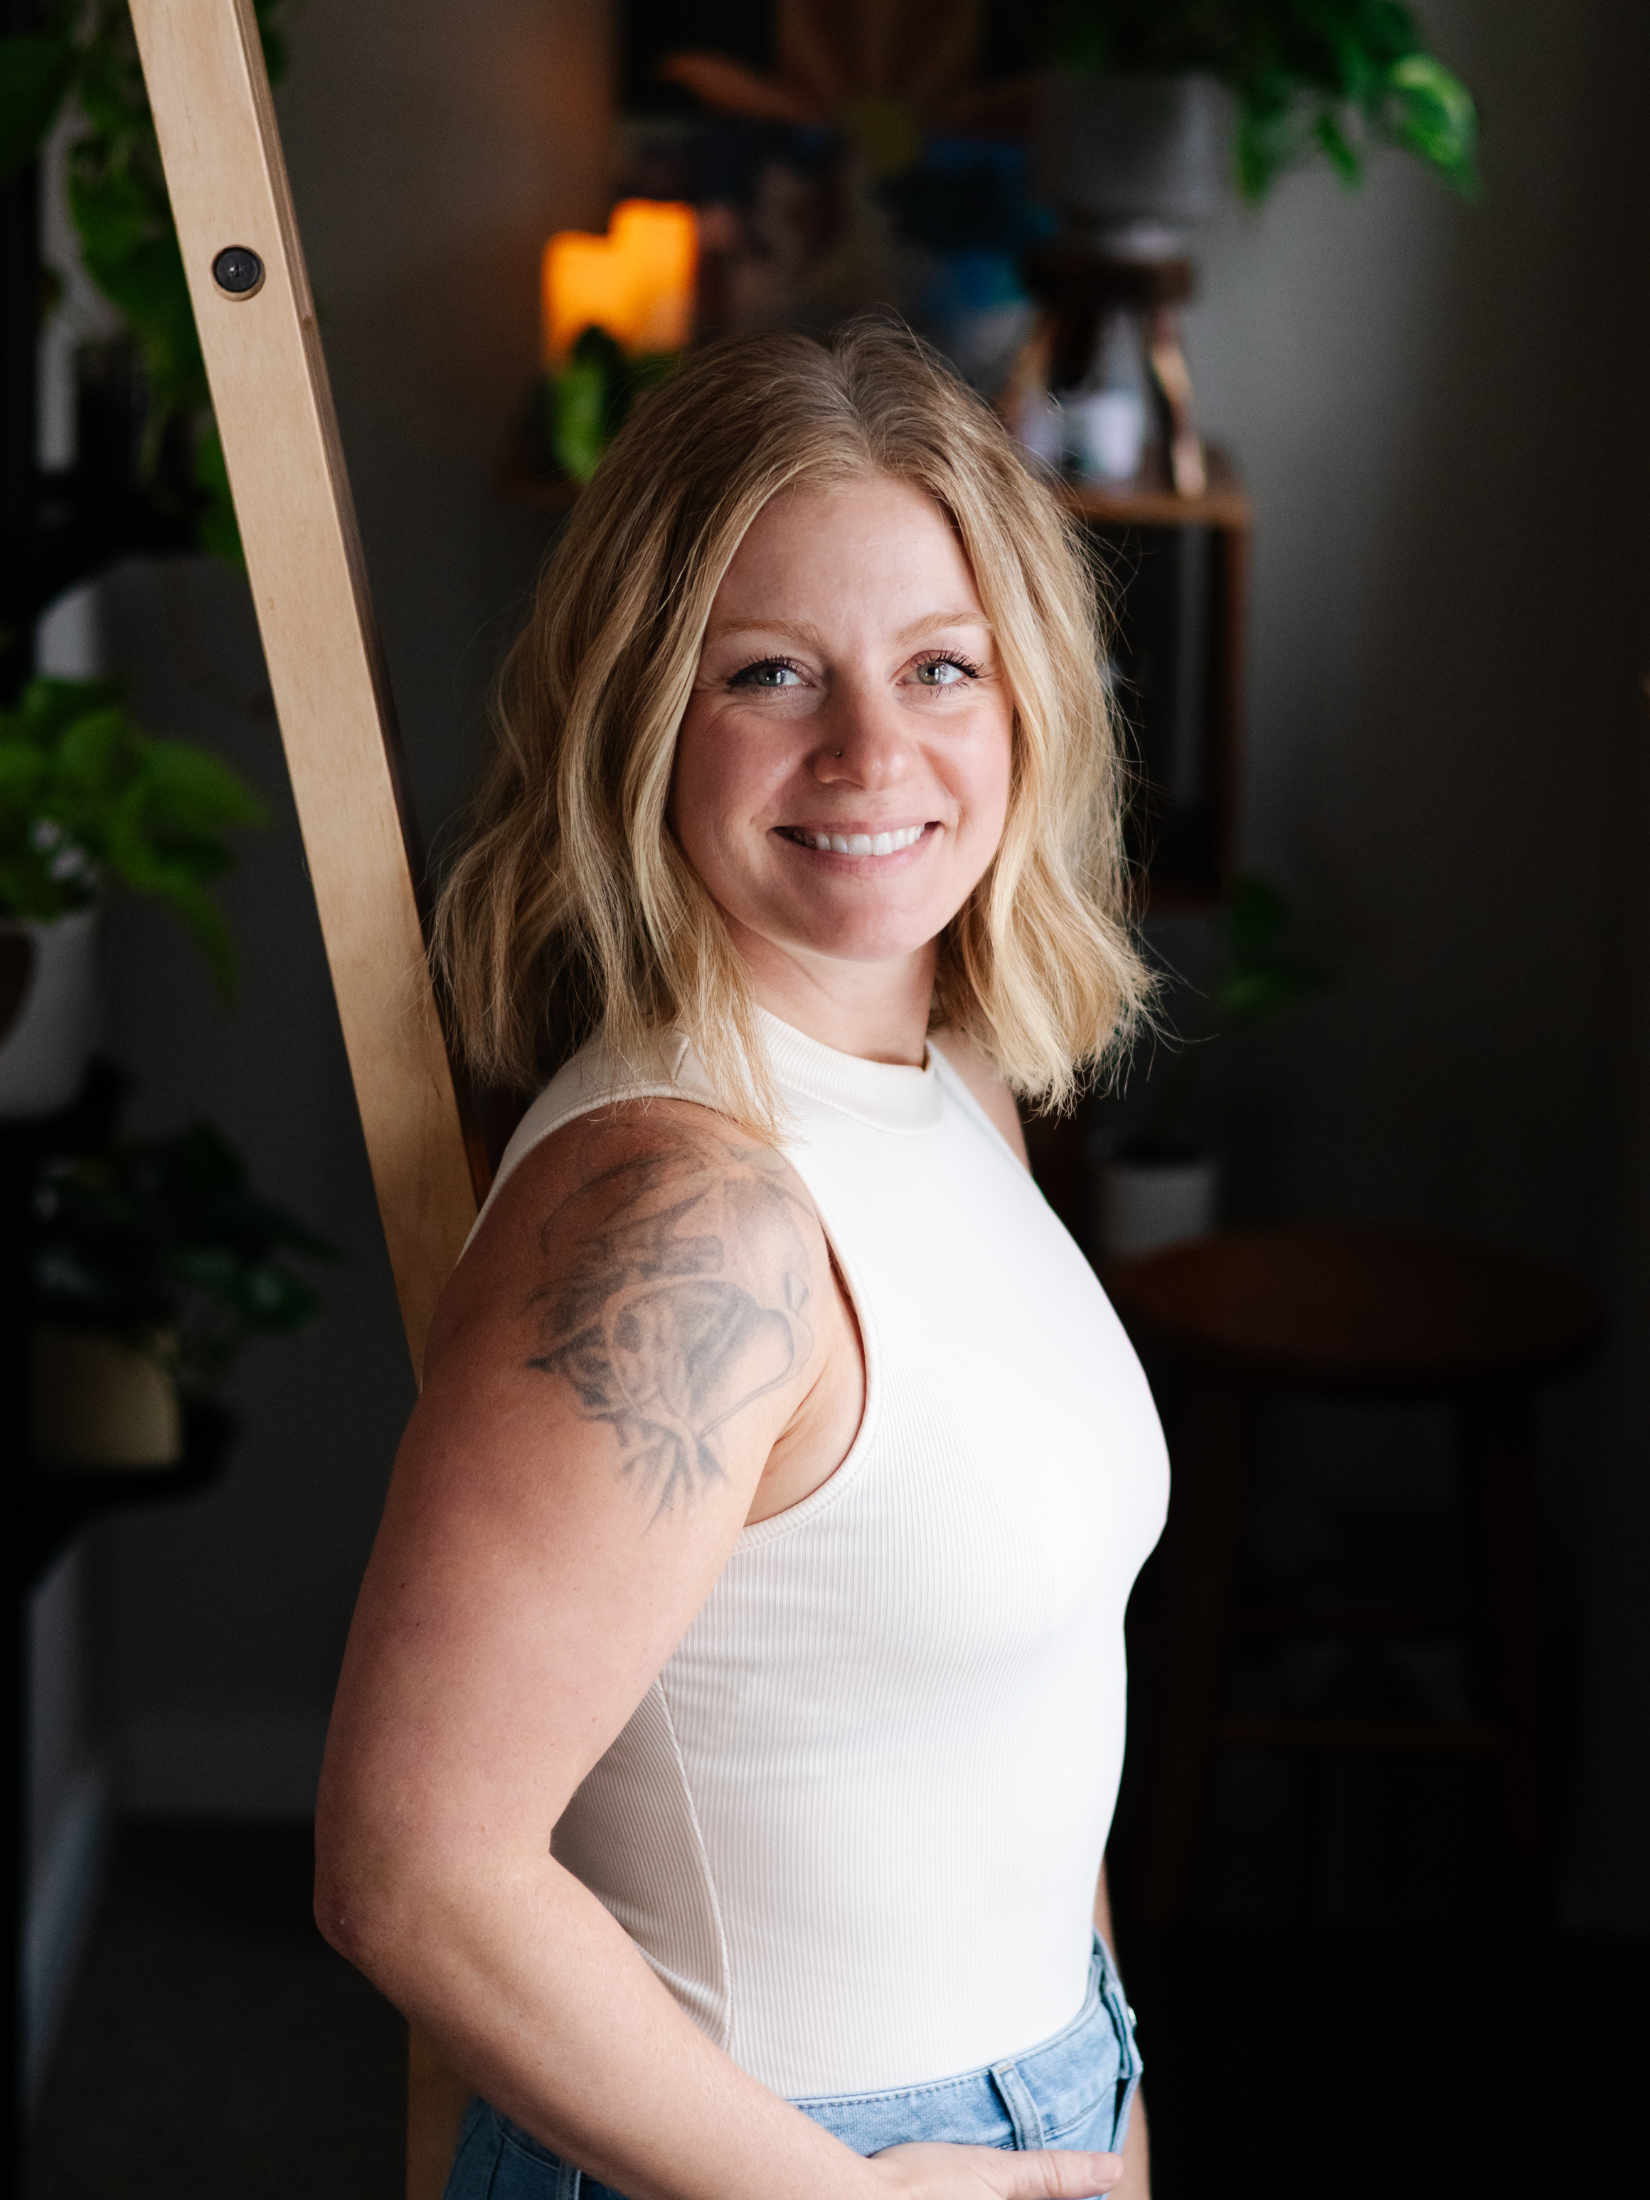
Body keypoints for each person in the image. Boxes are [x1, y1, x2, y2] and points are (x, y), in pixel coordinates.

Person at [314, 321, 1169, 2200]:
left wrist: (1096, 2117)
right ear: (641, 713)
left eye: (939, 667)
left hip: (1039, 2097)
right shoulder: (686, 1216)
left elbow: (1025, 1709)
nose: (874, 752)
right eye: (768, 674)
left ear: (1025, 704)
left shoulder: (947, 1089)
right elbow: (412, 1872)